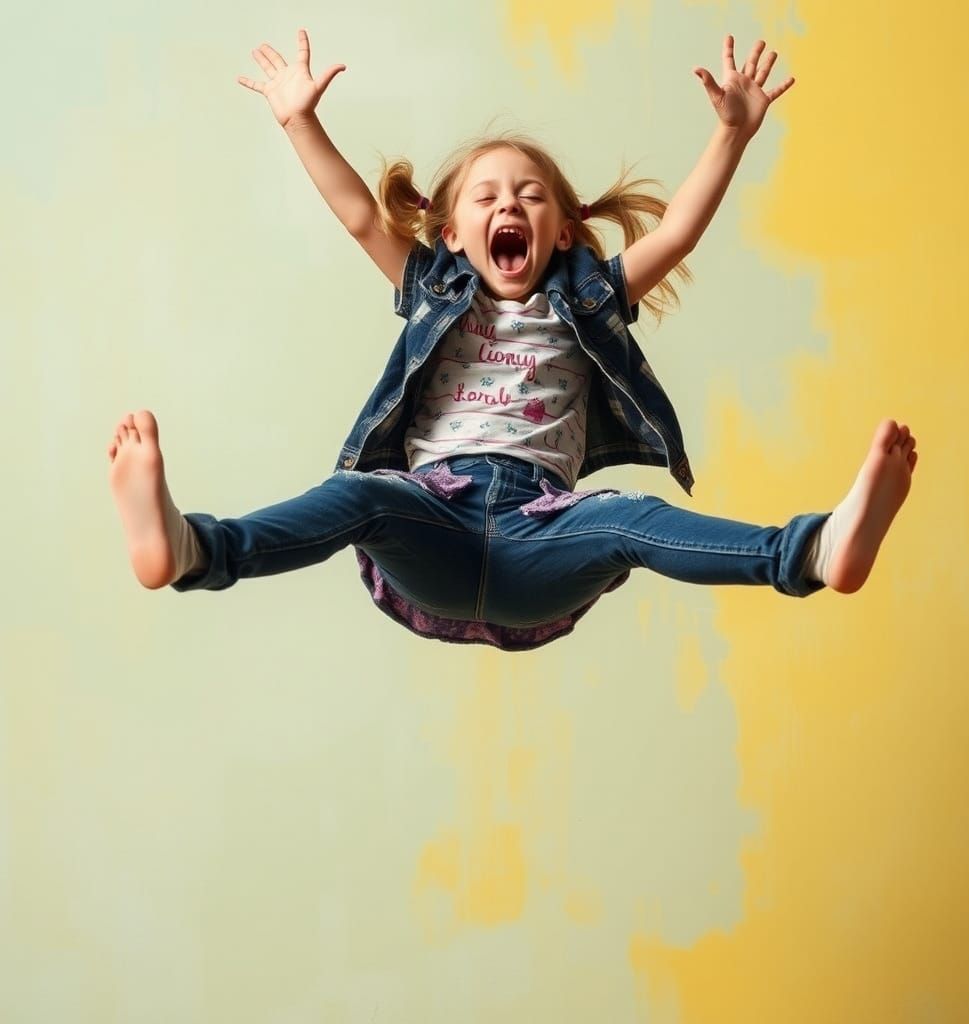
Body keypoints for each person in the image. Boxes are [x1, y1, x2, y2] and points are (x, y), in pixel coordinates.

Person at [107, 30, 917, 651]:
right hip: (433, 525)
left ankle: (810, 553)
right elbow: (360, 213)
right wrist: (300, 120)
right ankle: (191, 549)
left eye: (530, 197)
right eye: (488, 197)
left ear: (562, 233)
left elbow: (675, 233)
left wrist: (731, 136)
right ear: (453, 234)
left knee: (630, 519)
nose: (511, 206)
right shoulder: (431, 285)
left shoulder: (589, 296)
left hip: (545, 534)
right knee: (358, 494)